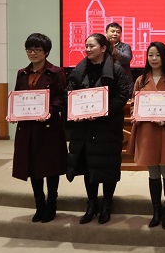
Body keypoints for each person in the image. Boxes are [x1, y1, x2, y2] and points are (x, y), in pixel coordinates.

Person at [66, 33, 132, 224]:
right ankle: (92, 203)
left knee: (108, 166)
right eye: (86, 46)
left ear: (103, 48)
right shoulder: (79, 69)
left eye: (91, 46)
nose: (87, 49)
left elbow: (122, 95)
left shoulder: (116, 69)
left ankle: (107, 205)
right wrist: (75, 111)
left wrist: (104, 111)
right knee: (88, 166)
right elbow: (69, 92)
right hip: (84, 127)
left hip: (107, 127)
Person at [9, 33, 68, 223]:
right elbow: (18, 97)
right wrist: (13, 113)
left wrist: (49, 111)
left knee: (50, 166)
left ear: (46, 52)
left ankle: (52, 204)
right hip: (27, 127)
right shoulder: (22, 73)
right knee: (32, 166)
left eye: (37, 50)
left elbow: (61, 98)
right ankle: (39, 204)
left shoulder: (56, 72)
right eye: (29, 49)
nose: (32, 53)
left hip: (49, 127)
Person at [128, 42, 165, 229]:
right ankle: (156, 210)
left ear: (164, 57)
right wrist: (135, 113)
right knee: (153, 172)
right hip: (147, 131)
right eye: (150, 55)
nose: (154, 59)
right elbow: (134, 104)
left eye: (158, 55)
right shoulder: (141, 80)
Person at [106, 21, 133, 87]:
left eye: (118, 32)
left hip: (123, 82)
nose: (115, 34)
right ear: (106, 33)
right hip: (106, 81)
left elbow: (126, 59)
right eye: (112, 31)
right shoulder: (102, 47)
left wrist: (113, 48)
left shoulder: (125, 47)